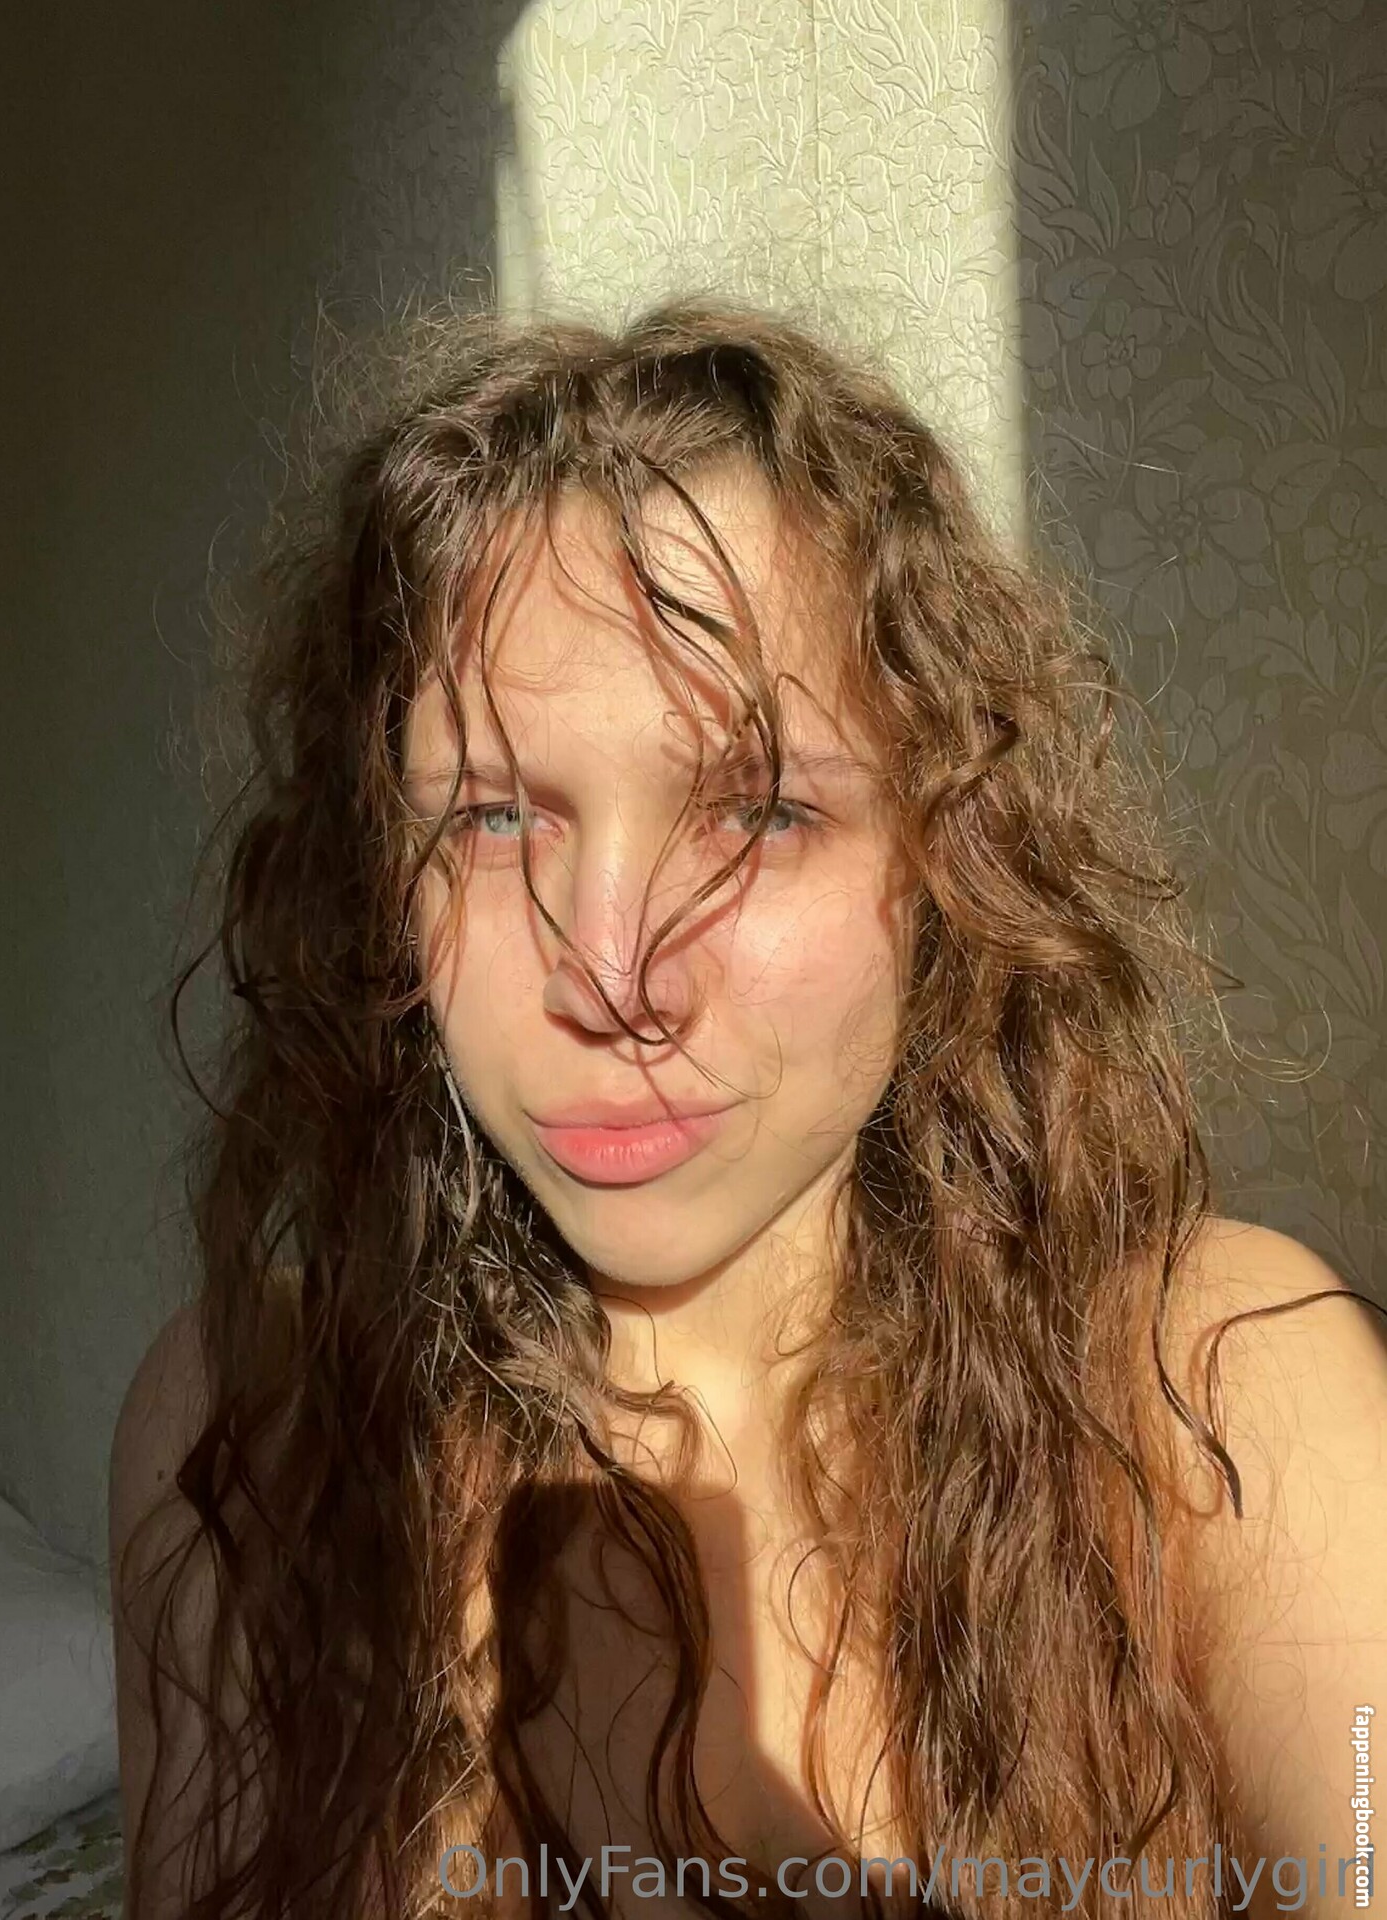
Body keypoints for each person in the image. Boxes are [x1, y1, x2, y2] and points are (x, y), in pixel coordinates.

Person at [109, 294, 1387, 1920]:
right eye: (492, 819)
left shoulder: (1215, 1396)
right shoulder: (251, 1429)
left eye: (761, 810)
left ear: (948, 856)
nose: (610, 971)